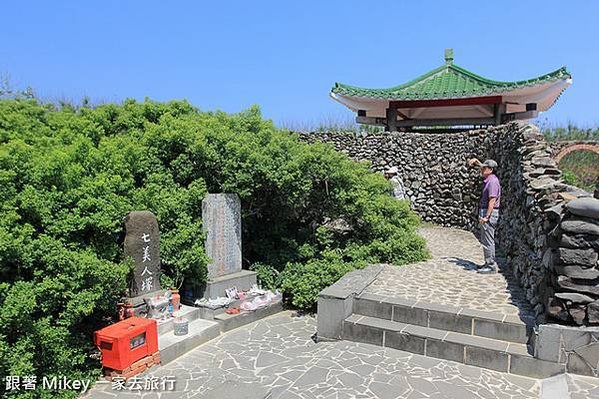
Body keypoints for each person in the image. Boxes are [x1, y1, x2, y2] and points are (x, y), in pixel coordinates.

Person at [468, 158, 501, 274]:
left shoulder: (492, 182)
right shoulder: (490, 179)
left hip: (489, 213)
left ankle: (491, 265)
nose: (482, 169)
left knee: (488, 240)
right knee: (486, 239)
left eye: (485, 168)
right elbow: (482, 166)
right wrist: (477, 162)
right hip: (487, 212)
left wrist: (486, 217)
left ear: (491, 170)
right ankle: (488, 262)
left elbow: (492, 200)